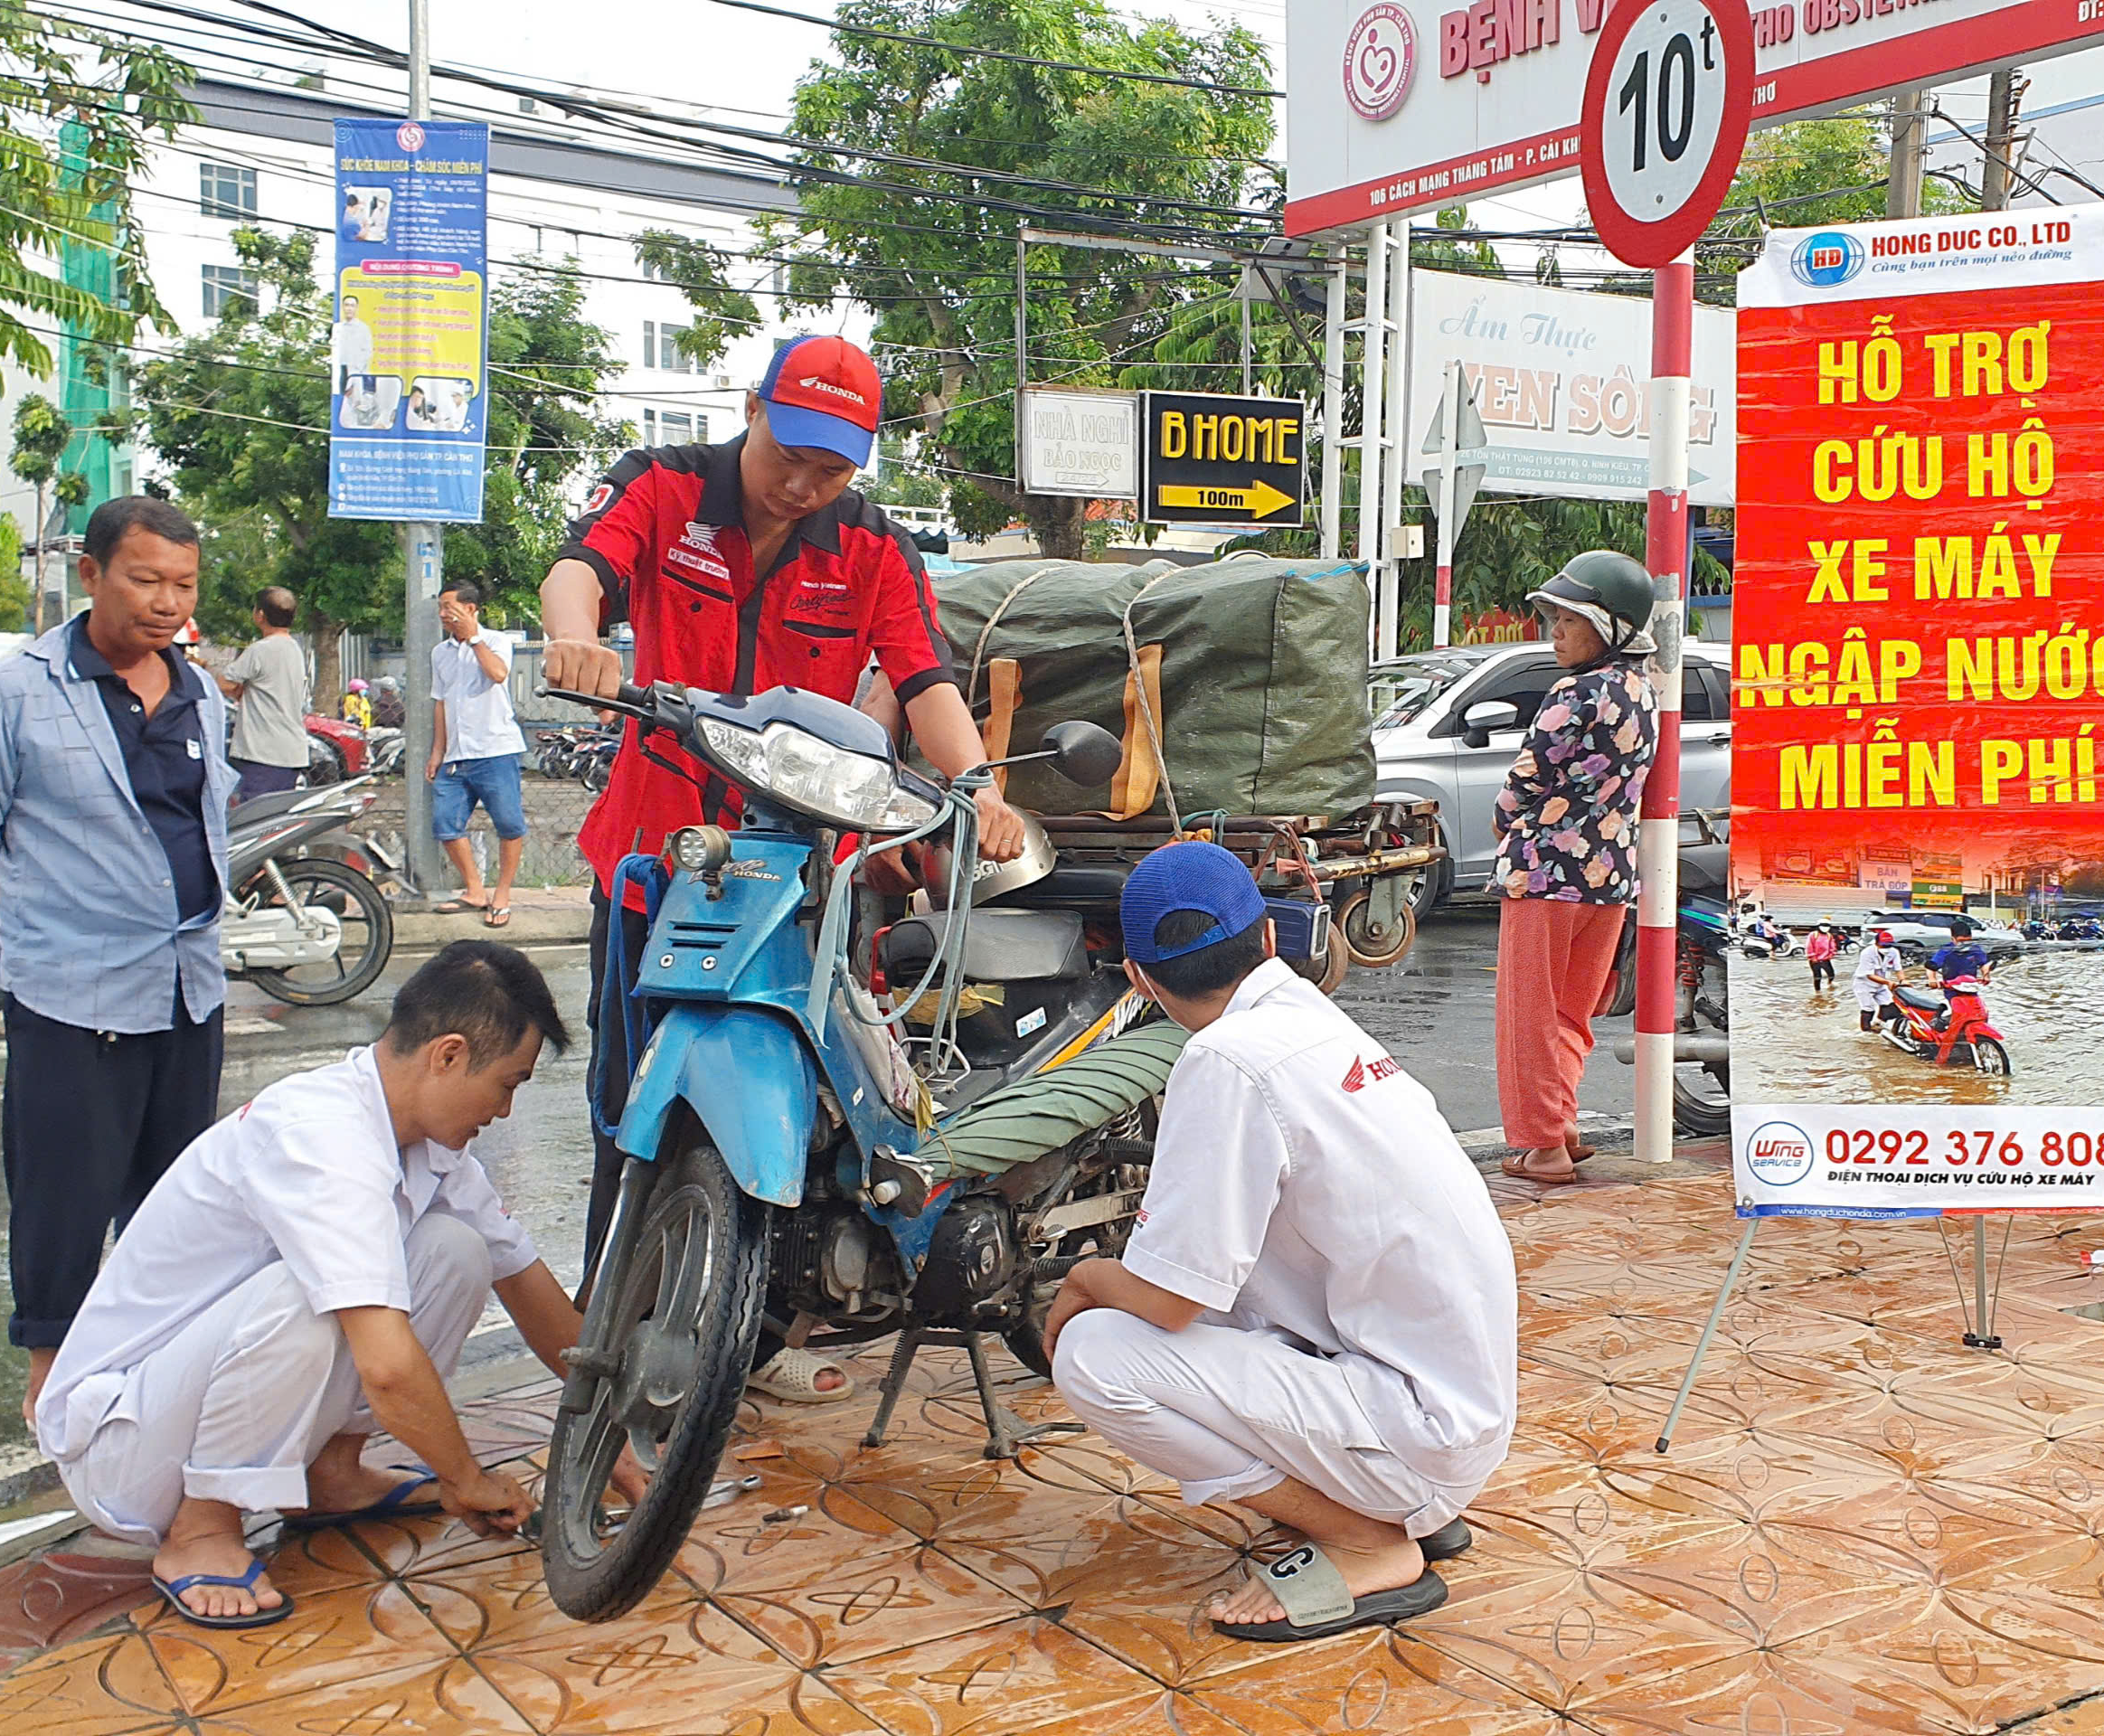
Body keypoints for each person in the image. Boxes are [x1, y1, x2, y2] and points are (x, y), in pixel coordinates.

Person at [539, 333, 1027, 1405]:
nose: (806, 483)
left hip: (811, 871)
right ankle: (610, 1344)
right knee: (633, 1112)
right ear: (751, 407)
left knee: (815, 1112)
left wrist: (980, 785)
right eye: (792, 452)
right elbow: (583, 567)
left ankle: (749, 1331)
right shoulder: (665, 487)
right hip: (660, 856)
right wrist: (578, 637)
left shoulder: (868, 545)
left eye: (835, 467)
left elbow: (922, 674)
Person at [32, 943, 629, 1629]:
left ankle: (331, 1475)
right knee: (322, 1297)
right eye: (507, 1084)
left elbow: (535, 1299)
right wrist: (464, 1478)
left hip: (191, 1407)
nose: (504, 1111)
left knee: (454, 1250)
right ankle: (201, 1527)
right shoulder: (323, 1138)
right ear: (448, 1055)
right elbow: (385, 1365)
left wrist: (611, 1438)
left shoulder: (433, 1150)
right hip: (125, 1447)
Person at [1048, 843, 1516, 1645]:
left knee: (1096, 1353)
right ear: (1270, 939)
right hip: (1454, 1413)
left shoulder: (1225, 1057)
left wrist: (1084, 1276)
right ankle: (1385, 1505)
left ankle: (1366, 1540)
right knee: (1200, 1313)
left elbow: (1168, 1300)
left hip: (1415, 1430)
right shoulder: (1307, 1018)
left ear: (1138, 980)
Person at [0, 496, 232, 1419]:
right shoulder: (13, 692)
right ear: (91, 573)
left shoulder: (200, 692)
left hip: (187, 988)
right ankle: (52, 1392)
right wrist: (19, 929)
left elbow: (203, 821)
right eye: (144, 580)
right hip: (70, 990)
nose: (165, 602)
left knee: (174, 1197)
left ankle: (151, 1383)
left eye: (181, 585)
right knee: (64, 1195)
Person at [1489, 552, 1659, 1186]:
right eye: (1554, 618)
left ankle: (1542, 1147)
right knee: (1569, 1014)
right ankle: (1561, 1126)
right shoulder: (1644, 691)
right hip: (1609, 877)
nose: (1555, 630)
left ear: (1609, 627)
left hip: (1545, 875)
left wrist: (1505, 819)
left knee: (1529, 1016)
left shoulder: (1574, 692)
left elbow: (1525, 779)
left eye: (1569, 619)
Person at [428, 580, 524, 931]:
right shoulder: (440, 653)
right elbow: (440, 702)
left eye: (449, 607)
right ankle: (474, 889)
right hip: (456, 754)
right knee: (445, 823)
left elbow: (498, 674)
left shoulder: (497, 641)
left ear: (470, 609)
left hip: (495, 750)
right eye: (440, 607)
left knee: (509, 825)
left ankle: (502, 895)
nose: (443, 614)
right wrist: (437, 751)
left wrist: (474, 637)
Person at [203, 587, 308, 804]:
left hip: (262, 753)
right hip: (290, 752)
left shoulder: (260, 650)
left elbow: (223, 683)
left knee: (254, 818)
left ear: (259, 615)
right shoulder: (294, 650)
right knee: (276, 818)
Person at [1854, 929, 1902, 1033]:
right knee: (1868, 1008)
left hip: (1881, 984)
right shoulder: (1867, 953)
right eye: (1884, 945)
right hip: (1864, 984)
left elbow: (1898, 969)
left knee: (1890, 1006)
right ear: (1876, 943)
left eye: (1889, 945)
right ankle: (1865, 1031)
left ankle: (1878, 1022)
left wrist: (1903, 980)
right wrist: (1888, 982)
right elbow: (1869, 975)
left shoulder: (1894, 952)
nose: (1887, 948)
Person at [1928, 917, 1992, 986]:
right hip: (1951, 988)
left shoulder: (1975, 949)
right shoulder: (1946, 951)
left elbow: (1984, 964)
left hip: (1971, 986)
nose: (1964, 944)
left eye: (1968, 941)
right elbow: (1931, 967)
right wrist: (1932, 979)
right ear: (1953, 939)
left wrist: (1986, 975)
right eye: (1961, 941)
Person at [331, 296, 373, 395]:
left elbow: (367, 352)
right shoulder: (337, 328)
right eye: (347, 305)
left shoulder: (363, 328)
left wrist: (354, 375)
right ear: (342, 307)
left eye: (352, 305)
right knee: (341, 401)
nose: (349, 308)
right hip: (341, 371)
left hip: (356, 372)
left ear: (356, 308)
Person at [1804, 925, 1838, 993]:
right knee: (1817, 977)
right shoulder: (1813, 934)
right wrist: (1812, 957)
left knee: (1831, 974)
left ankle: (1829, 984)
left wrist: (1831, 955)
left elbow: (1832, 946)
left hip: (1825, 959)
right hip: (1814, 960)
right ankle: (1818, 992)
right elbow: (1809, 946)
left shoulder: (1829, 935)